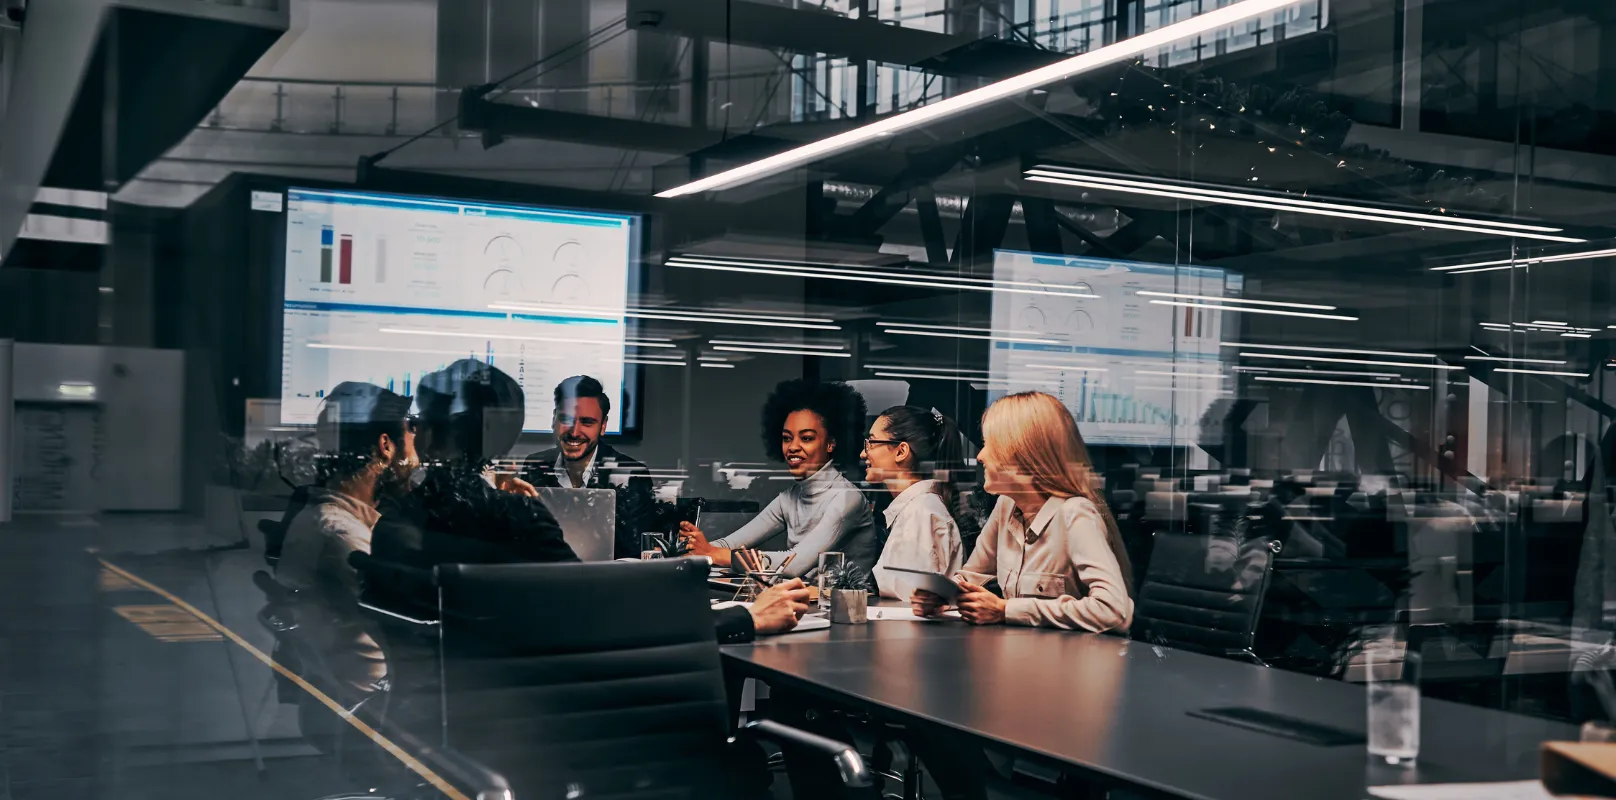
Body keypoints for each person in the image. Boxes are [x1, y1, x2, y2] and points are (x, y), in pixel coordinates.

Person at [913, 391, 1132, 632]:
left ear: (1021, 453)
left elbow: (1114, 610)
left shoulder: (1075, 515)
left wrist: (1005, 610)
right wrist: (942, 594)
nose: (980, 456)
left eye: (989, 445)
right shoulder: (1006, 505)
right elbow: (971, 576)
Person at [275, 381, 417, 697]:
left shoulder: (324, 515)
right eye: (411, 431)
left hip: (344, 690)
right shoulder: (344, 537)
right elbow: (415, 623)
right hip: (379, 703)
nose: (416, 447)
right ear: (386, 444)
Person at [373, 359, 577, 569]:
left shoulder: (396, 522)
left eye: (418, 423)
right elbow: (587, 590)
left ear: (430, 438)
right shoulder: (522, 518)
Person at [679, 379, 877, 579]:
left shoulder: (846, 499)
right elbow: (729, 544)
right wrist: (699, 545)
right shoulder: (789, 498)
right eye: (787, 438)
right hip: (805, 603)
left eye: (806, 438)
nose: (792, 447)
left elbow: (793, 563)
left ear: (831, 444)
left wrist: (715, 554)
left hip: (852, 606)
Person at [522, 375, 657, 559]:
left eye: (587, 422)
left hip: (605, 582)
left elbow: (635, 555)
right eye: (566, 419)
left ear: (603, 426)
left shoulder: (630, 475)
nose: (574, 432)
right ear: (554, 419)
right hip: (546, 580)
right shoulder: (535, 466)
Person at [863, 406, 967, 600]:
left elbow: (912, 601)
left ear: (901, 451)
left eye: (871, 443)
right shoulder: (916, 508)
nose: (863, 453)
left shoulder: (921, 512)